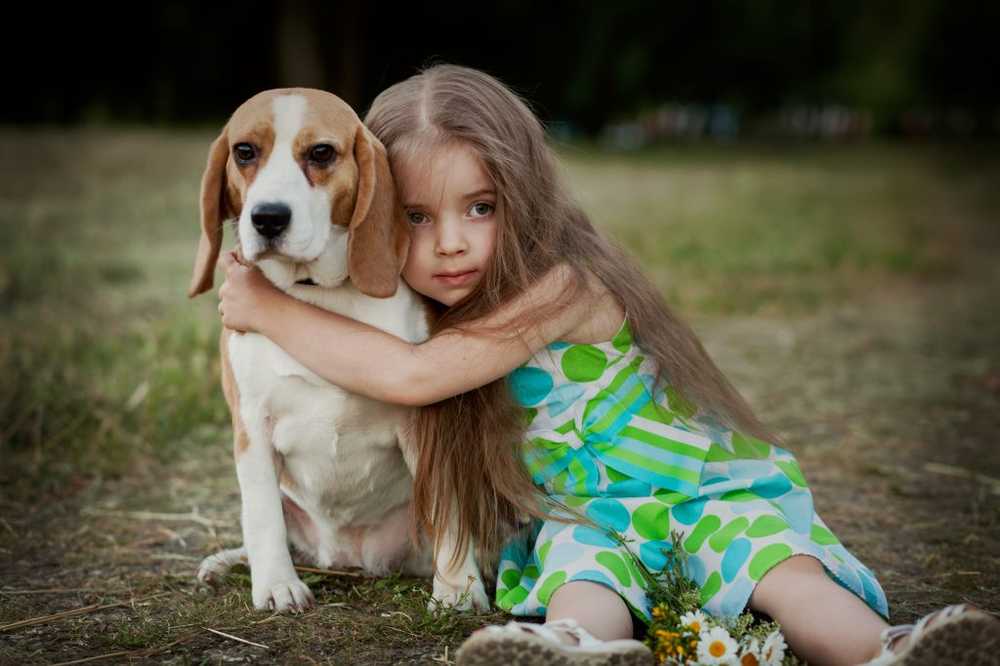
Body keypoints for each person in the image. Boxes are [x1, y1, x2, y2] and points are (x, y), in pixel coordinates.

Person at [216, 64, 999, 666]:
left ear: (523, 197)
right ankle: (578, 649)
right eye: (417, 219)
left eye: (480, 208)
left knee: (779, 573)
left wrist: (269, 307)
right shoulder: (427, 311)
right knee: (580, 584)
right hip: (581, 519)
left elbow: (410, 378)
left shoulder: (561, 288)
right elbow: (381, 364)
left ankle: (886, 650)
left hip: (689, 494)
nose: (450, 242)